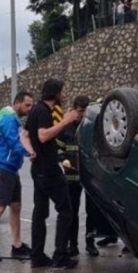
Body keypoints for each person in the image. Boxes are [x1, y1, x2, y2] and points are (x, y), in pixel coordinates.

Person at [26, 78, 82, 269]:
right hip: (49, 170)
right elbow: (43, 136)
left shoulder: (36, 109)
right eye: (63, 91)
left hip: (38, 169)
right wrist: (66, 121)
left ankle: (37, 256)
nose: (64, 95)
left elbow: (25, 135)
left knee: (39, 213)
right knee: (66, 211)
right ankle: (60, 256)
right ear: (56, 93)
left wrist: (30, 151)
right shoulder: (43, 111)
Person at [0, 91, 36, 262]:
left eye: (31, 105)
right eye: (27, 105)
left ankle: (17, 245)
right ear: (17, 103)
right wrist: (31, 153)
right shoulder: (8, 119)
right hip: (1, 167)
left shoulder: (14, 119)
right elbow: (14, 142)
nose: (30, 109)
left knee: (16, 205)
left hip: (11, 168)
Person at [58, 95, 90, 257]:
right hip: (72, 176)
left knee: (93, 211)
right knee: (72, 211)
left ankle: (90, 243)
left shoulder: (92, 127)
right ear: (74, 110)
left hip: (91, 177)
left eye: (85, 111)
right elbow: (58, 147)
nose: (82, 115)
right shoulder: (66, 127)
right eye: (80, 111)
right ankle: (73, 244)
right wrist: (63, 159)